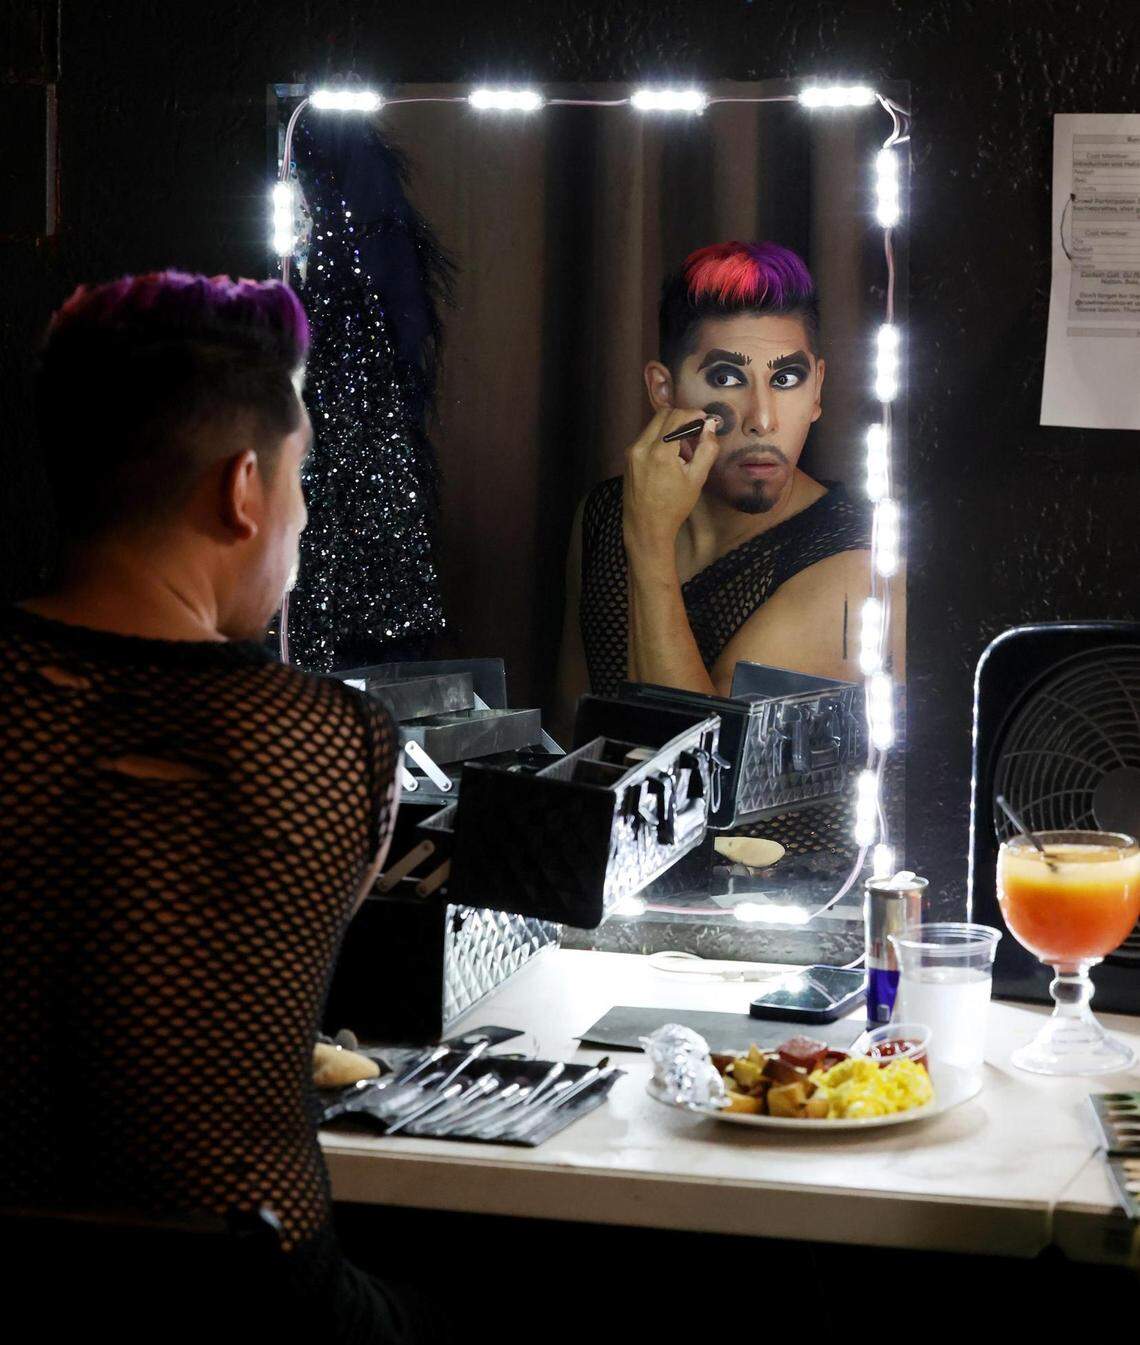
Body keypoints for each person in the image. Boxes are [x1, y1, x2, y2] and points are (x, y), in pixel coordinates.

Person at [0, 271, 447, 1341]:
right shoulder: (336, 742)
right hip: (262, 1319)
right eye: (301, 479)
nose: (299, 518)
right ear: (242, 489)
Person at [555, 240, 887, 740]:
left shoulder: (853, 561)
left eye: (787, 378)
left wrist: (648, 541)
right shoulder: (603, 514)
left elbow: (698, 775)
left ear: (817, 389)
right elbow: (574, 728)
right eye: (728, 376)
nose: (762, 420)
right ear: (664, 391)